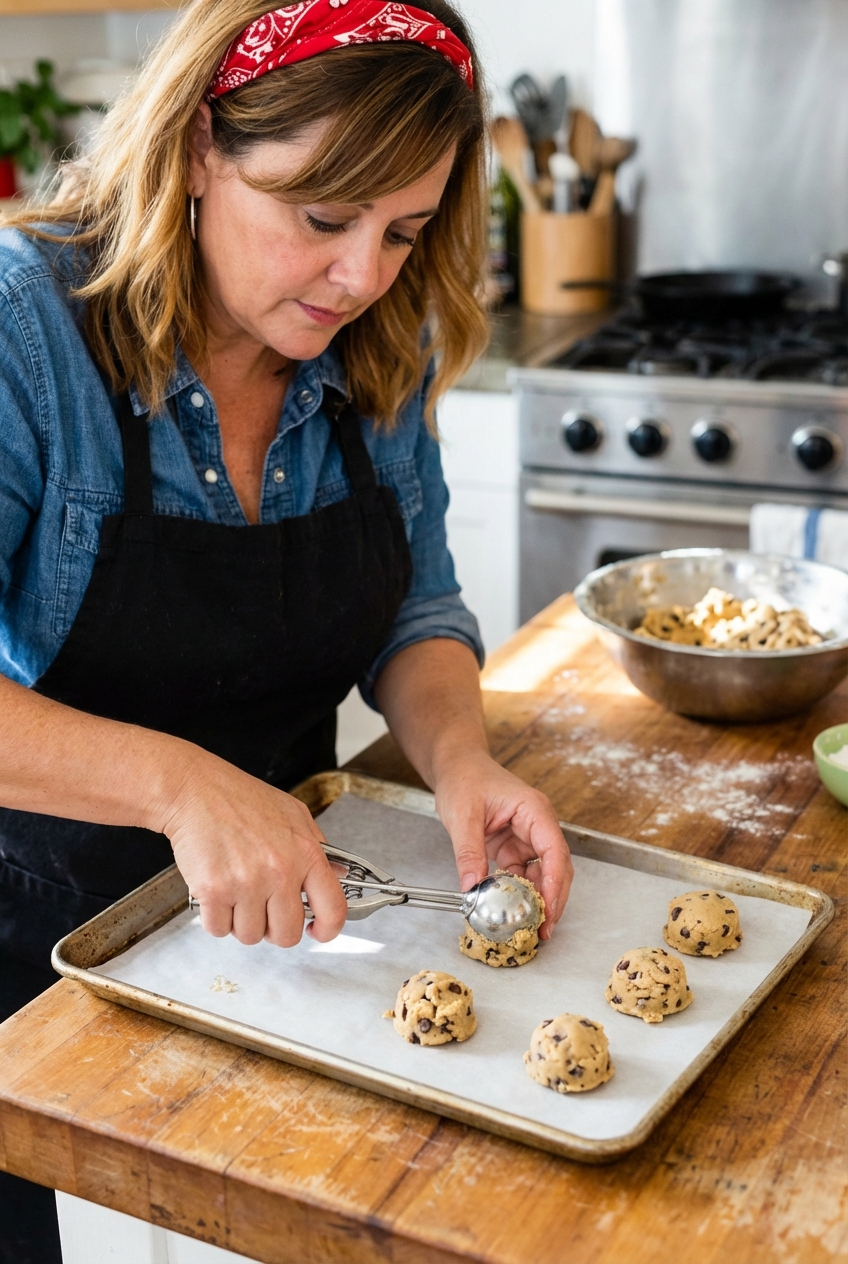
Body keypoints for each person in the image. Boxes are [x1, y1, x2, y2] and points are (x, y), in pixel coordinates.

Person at [0, 1, 573, 1257]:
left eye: (402, 231)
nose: (363, 275)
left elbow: (415, 608)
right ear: (202, 146)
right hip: (31, 949)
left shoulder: (382, 336)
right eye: (322, 219)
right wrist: (178, 784)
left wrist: (460, 757)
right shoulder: (24, 331)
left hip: (295, 940)